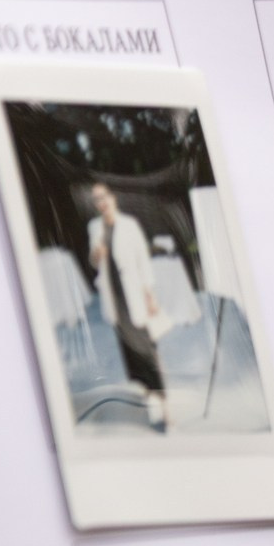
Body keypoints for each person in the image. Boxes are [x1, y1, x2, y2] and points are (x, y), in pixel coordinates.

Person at [86, 182, 169, 428]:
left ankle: (165, 409)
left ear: (113, 197)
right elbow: (93, 261)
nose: (101, 202)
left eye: (104, 196)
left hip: (134, 296)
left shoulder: (129, 225)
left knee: (147, 349)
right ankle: (150, 400)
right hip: (115, 299)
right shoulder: (94, 227)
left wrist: (150, 295)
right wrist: (96, 255)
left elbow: (143, 260)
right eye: (96, 199)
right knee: (131, 353)